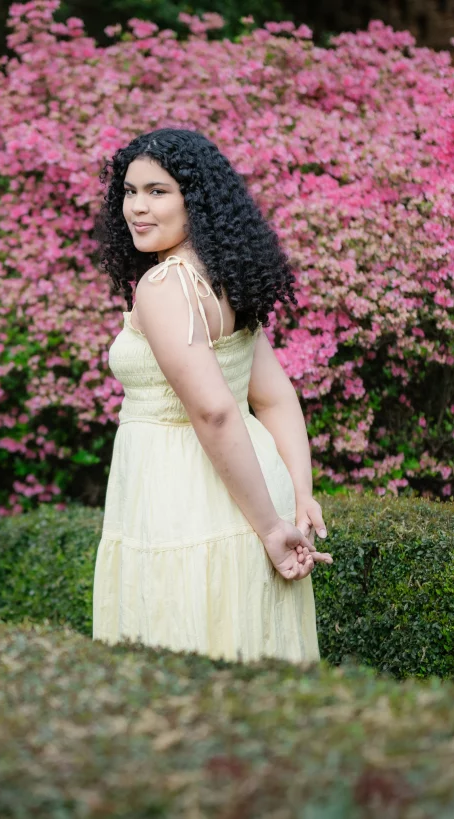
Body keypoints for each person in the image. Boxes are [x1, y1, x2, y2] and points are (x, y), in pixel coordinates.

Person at [91, 128, 333, 665]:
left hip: (185, 495)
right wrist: (297, 493)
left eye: (158, 191)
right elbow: (272, 399)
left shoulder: (163, 287)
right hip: (252, 485)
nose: (137, 207)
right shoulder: (224, 281)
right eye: (130, 192)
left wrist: (274, 526)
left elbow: (216, 410)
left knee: (183, 655)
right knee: (251, 648)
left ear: (194, 200)